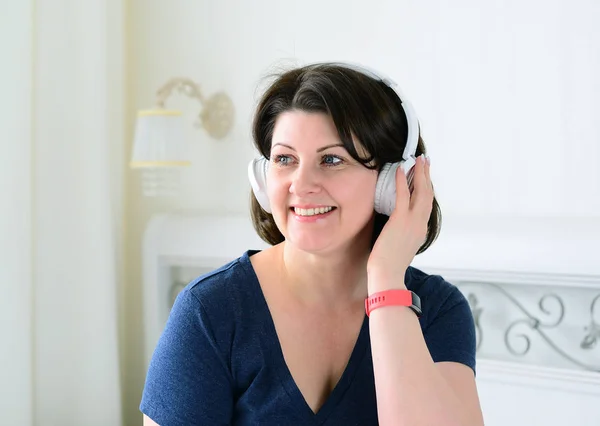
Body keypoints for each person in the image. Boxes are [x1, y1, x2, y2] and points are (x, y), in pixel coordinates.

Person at [140, 62, 484, 425]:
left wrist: (386, 281)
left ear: (392, 181)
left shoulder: (437, 311)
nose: (301, 184)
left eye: (332, 159)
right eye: (285, 159)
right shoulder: (211, 312)